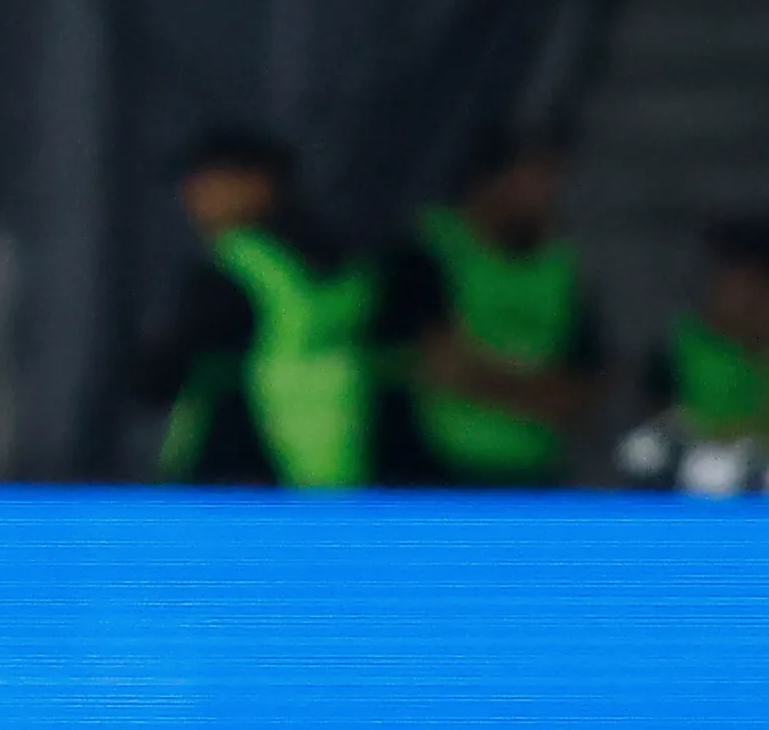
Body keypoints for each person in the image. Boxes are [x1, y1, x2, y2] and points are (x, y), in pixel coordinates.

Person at [136, 127, 375, 489]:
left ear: (258, 182)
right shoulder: (343, 261)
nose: (191, 196)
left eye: (207, 181)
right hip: (339, 461)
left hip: (242, 462)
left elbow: (162, 374)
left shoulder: (236, 266)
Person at [380, 125, 603, 486]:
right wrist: (537, 393)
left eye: (551, 181)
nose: (545, 197)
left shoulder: (560, 268)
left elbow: (586, 389)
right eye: (531, 181)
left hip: (531, 478)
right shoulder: (429, 253)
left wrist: (489, 381)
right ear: (488, 182)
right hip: (435, 476)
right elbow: (442, 369)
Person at [651, 218, 769, 446]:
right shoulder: (681, 346)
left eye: (756, 288)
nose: (745, 301)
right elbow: (657, 425)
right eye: (735, 285)